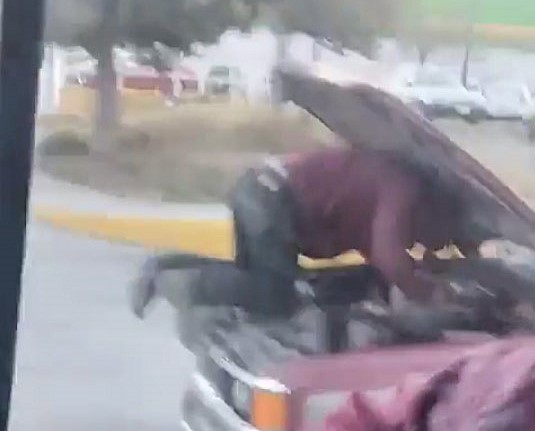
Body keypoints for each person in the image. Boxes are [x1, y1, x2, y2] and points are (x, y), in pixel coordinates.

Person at [130, 146, 478, 323]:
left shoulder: (389, 192)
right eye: (439, 239)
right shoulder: (403, 188)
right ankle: (169, 282)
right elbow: (391, 259)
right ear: (439, 211)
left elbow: (381, 264)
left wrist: (401, 285)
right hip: (272, 200)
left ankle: (165, 264)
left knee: (253, 281)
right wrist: (430, 293)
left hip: (261, 188)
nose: (423, 246)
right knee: (274, 296)